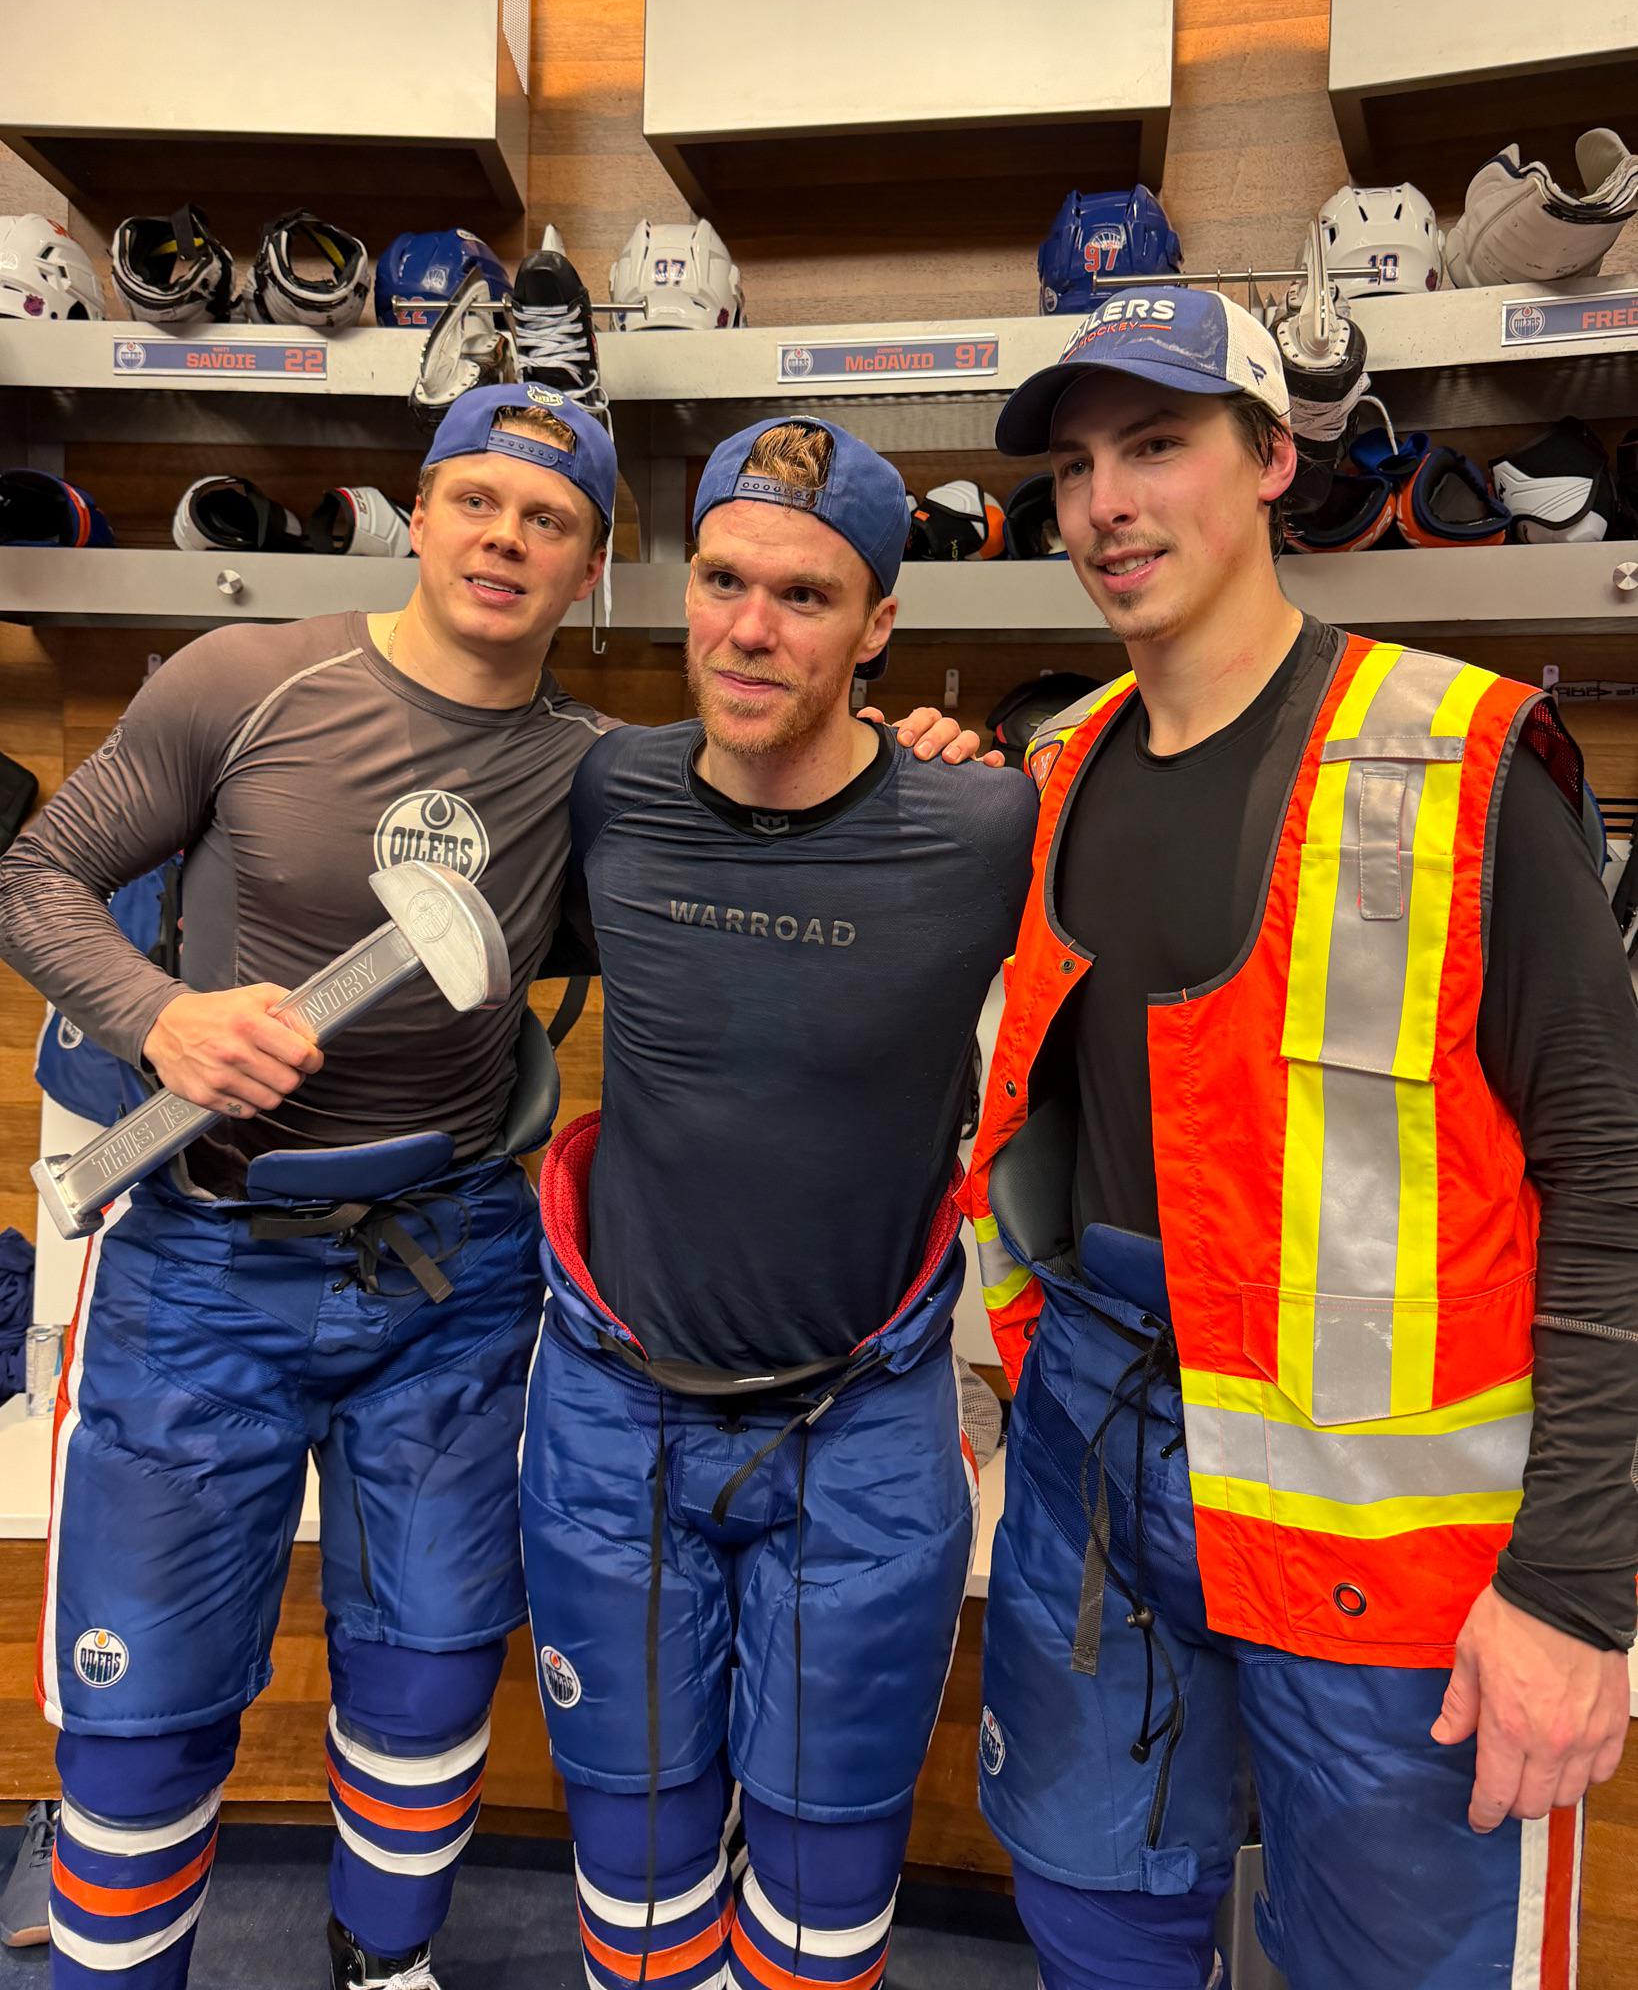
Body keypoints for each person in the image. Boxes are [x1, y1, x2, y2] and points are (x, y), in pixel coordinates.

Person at [0, 381, 983, 1990]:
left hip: (451, 1274)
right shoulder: (240, 681)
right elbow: (34, 877)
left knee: (428, 1683)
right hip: (203, 1265)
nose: (504, 539)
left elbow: (792, 827)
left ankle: (380, 1968)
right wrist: (156, 1014)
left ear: (591, 570)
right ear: (419, 510)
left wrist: (917, 752)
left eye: (550, 521)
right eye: (476, 500)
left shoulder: (600, 777)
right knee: (141, 1718)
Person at [959, 292, 1638, 1989]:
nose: (1106, 504)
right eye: (1072, 468)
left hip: (1390, 1555)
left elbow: (1611, 1174)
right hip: (1096, 1475)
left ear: (1271, 458)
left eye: (1156, 446)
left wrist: (1574, 1586)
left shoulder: (1456, 760)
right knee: (1093, 1923)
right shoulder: (1055, 769)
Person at [519, 415, 1039, 1990]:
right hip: (616, 1410)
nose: (748, 629)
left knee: (824, 1877)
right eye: (723, 581)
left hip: (859, 1423)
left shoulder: (986, 826)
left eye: (804, 596)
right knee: (636, 1862)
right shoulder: (611, 787)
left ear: (879, 627)